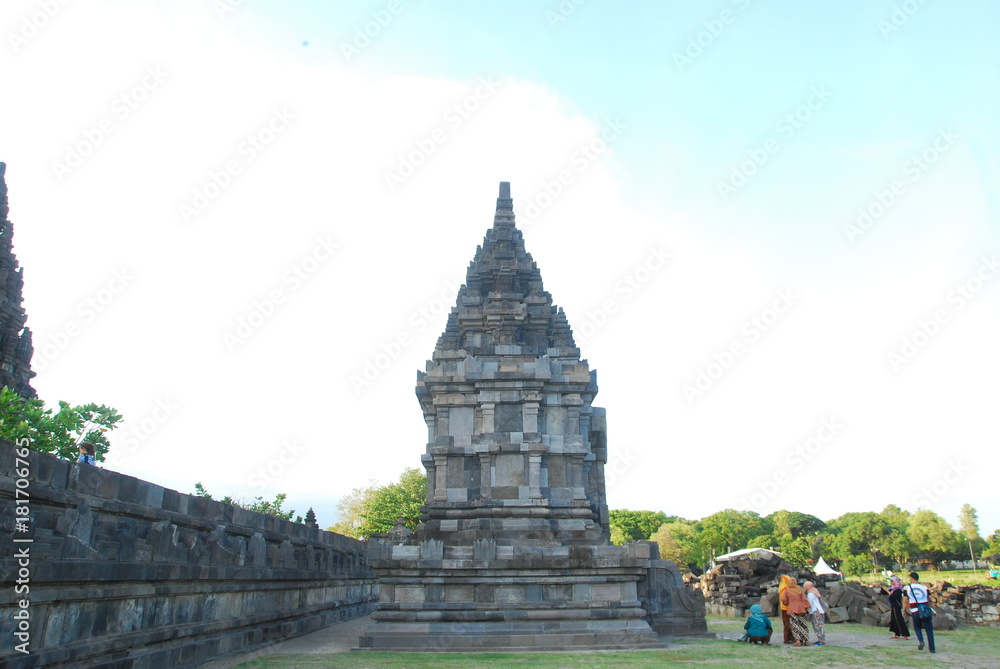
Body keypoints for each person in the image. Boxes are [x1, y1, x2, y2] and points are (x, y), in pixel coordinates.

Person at [903, 572, 935, 653]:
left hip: (915, 610)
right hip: (925, 609)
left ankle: (921, 640)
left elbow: (905, 601)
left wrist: (904, 610)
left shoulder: (907, 588)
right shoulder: (924, 587)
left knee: (917, 627)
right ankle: (932, 648)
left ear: (911, 578)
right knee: (929, 629)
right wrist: (933, 610)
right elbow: (929, 599)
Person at [780, 577, 810, 647]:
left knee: (795, 625)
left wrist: (788, 604)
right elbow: (804, 599)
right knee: (803, 624)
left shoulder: (787, 590)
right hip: (801, 609)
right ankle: (806, 640)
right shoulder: (799, 589)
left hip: (792, 609)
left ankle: (797, 640)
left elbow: (784, 599)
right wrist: (806, 607)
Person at [803, 581, 827, 646]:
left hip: (815, 611)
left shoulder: (810, 594)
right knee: (820, 625)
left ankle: (822, 641)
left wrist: (806, 610)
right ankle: (821, 639)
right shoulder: (815, 591)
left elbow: (809, 604)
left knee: (817, 625)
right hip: (819, 611)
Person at [887, 575, 910, 639]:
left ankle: (905, 635)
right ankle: (897, 634)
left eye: (892, 581)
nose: (891, 582)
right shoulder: (892, 589)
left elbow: (893, 597)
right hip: (893, 606)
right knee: (894, 620)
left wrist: (888, 592)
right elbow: (883, 593)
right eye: (891, 581)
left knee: (899, 620)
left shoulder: (898, 590)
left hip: (897, 606)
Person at [778, 574, 794, 644]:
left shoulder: (781, 588)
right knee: (790, 623)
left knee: (785, 623)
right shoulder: (787, 589)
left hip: (783, 608)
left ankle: (786, 638)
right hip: (789, 608)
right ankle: (790, 637)